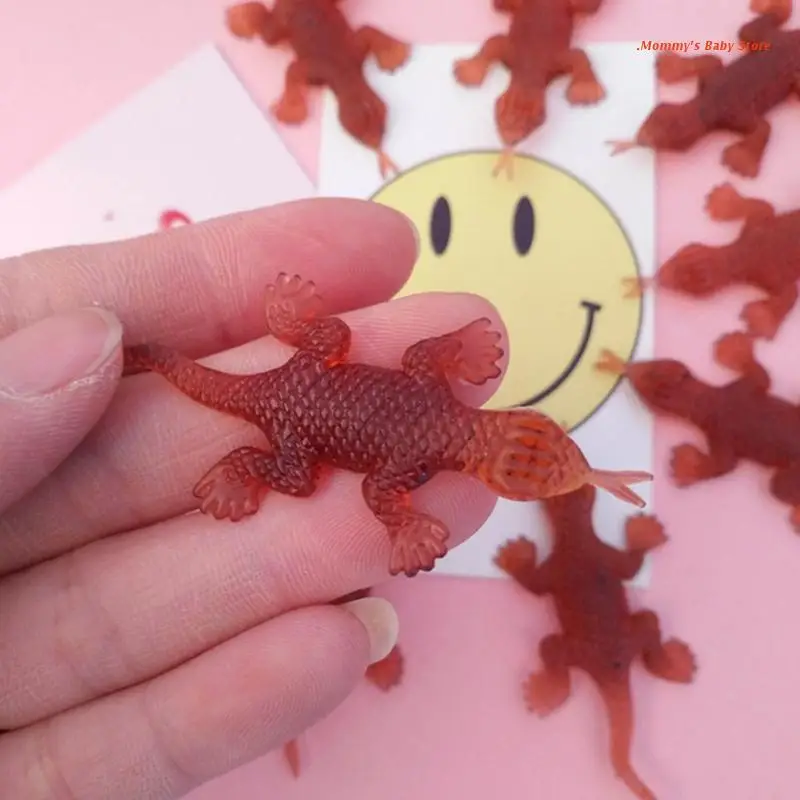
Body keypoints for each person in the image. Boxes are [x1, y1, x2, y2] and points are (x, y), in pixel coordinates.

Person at [0, 197, 504, 799]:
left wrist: (404, 523)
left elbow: (409, 390)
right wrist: (402, 525)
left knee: (325, 364)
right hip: (295, 406)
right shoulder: (414, 448)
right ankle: (246, 463)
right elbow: (389, 448)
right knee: (300, 477)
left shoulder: (417, 441)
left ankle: (268, 362)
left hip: (310, 383)